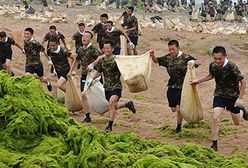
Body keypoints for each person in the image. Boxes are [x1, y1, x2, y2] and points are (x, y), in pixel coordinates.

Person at [191, 46, 247, 151]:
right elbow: (211, 76)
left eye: (219, 59)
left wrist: (240, 97)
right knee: (216, 116)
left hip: (232, 97)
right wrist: (198, 81)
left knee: (237, 121)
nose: (217, 61)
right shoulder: (213, 65)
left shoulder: (231, 66)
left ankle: (242, 111)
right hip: (219, 95)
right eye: (215, 58)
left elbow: (243, 81)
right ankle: (214, 144)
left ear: (225, 56)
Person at [149, 40, 200, 133]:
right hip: (172, 85)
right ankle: (179, 121)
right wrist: (153, 56)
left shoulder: (185, 57)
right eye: (170, 50)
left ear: (178, 48)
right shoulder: (168, 58)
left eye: (173, 49)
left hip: (184, 86)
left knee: (179, 109)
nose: (171, 51)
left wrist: (192, 62)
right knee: (173, 108)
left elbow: (198, 62)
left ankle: (178, 127)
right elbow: (157, 61)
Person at [91, 41, 136, 132]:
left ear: (112, 49)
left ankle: (109, 126)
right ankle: (127, 104)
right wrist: (91, 80)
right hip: (107, 88)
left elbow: (127, 66)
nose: (106, 50)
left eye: (108, 48)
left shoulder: (117, 59)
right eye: (104, 48)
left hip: (116, 87)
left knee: (111, 103)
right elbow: (99, 71)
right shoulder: (102, 61)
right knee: (113, 105)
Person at [67, 31, 101, 120]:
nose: (84, 38)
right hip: (84, 75)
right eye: (83, 37)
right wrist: (70, 71)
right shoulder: (80, 49)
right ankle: (87, 116)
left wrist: (93, 65)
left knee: (99, 96)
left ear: (91, 39)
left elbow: (101, 59)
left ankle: (118, 105)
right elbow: (77, 60)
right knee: (83, 94)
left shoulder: (94, 50)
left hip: (94, 75)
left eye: (86, 37)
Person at [23, 27, 52, 91]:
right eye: (25, 34)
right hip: (29, 64)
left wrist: (49, 60)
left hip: (37, 65)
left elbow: (43, 50)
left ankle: (48, 82)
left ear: (32, 34)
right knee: (27, 77)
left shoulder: (35, 43)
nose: (26, 35)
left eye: (28, 34)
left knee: (42, 79)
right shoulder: (25, 42)